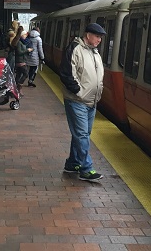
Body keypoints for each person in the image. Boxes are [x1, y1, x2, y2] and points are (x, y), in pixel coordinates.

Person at [59, 22, 106, 182]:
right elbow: (66, 74)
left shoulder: (95, 52)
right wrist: (78, 92)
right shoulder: (75, 49)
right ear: (88, 35)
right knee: (82, 134)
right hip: (77, 100)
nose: (99, 40)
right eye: (97, 36)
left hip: (91, 102)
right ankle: (86, 169)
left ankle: (72, 163)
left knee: (81, 134)